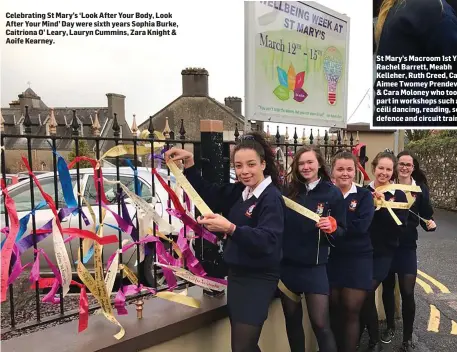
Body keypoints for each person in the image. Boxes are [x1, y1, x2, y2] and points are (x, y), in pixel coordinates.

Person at [164, 132, 285, 352]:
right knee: (245, 347)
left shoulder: (271, 197)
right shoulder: (243, 191)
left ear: (263, 164)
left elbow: (268, 240)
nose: (244, 171)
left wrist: (230, 228)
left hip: (258, 279)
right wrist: (190, 164)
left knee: (241, 347)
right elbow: (210, 195)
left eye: (251, 164)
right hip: (238, 277)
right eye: (238, 166)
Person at [280, 145, 346, 352]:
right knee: (292, 322)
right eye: (301, 163)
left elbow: (342, 229)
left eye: (310, 162)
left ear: (319, 163)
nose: (306, 167)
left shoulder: (332, 193)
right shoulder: (287, 190)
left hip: (315, 268)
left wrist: (332, 227)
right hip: (287, 268)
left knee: (320, 324)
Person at [380, 151, 436, 351]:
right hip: (387, 245)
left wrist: (430, 223)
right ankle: (390, 327)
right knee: (387, 288)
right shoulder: (388, 186)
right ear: (396, 166)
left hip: (407, 246)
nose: (404, 167)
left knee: (407, 291)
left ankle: (407, 337)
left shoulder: (420, 190)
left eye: (408, 165)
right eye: (401, 163)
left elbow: (426, 216)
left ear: (413, 168)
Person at [359, 151, 409, 351]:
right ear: (374, 168)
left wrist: (382, 206)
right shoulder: (363, 192)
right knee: (363, 293)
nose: (384, 172)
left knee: (367, 290)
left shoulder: (398, 194)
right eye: (381, 168)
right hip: (362, 252)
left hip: (384, 252)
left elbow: (400, 226)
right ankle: (371, 337)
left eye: (389, 169)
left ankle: (373, 340)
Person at [327, 152, 375, 352]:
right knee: (334, 310)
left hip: (358, 258)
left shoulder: (364, 196)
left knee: (351, 310)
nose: (345, 173)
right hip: (333, 258)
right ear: (333, 172)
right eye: (340, 169)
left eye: (349, 169)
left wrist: (335, 228)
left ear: (355, 172)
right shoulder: (326, 194)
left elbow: (361, 227)